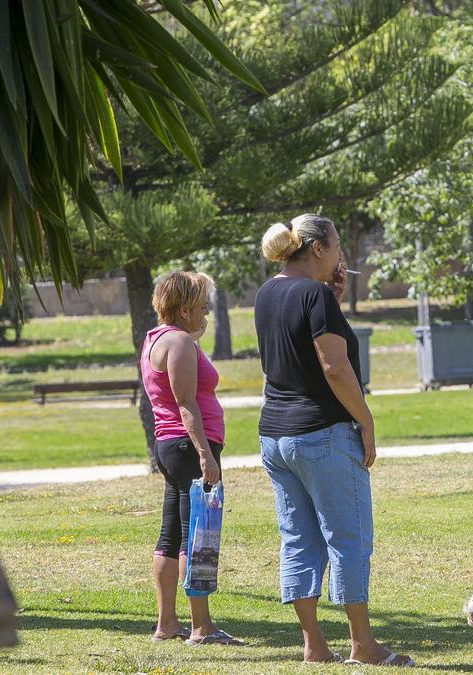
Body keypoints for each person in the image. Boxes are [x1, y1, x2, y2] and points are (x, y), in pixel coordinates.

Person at [253, 214, 413, 667]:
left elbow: (297, 348)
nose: (342, 257)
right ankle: (362, 645)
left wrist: (333, 303)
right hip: (322, 433)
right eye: (338, 247)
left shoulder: (268, 292)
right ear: (318, 248)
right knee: (347, 537)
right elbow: (334, 368)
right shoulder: (315, 293)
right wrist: (366, 421)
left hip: (276, 437)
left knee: (298, 539)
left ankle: (314, 645)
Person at [141, 270, 243, 646]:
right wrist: (205, 454)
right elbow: (185, 404)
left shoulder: (158, 338)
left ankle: (167, 624)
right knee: (194, 536)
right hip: (188, 447)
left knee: (170, 536)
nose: (207, 312)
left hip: (170, 446)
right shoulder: (180, 343)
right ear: (184, 309)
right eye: (202, 306)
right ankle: (201, 627)